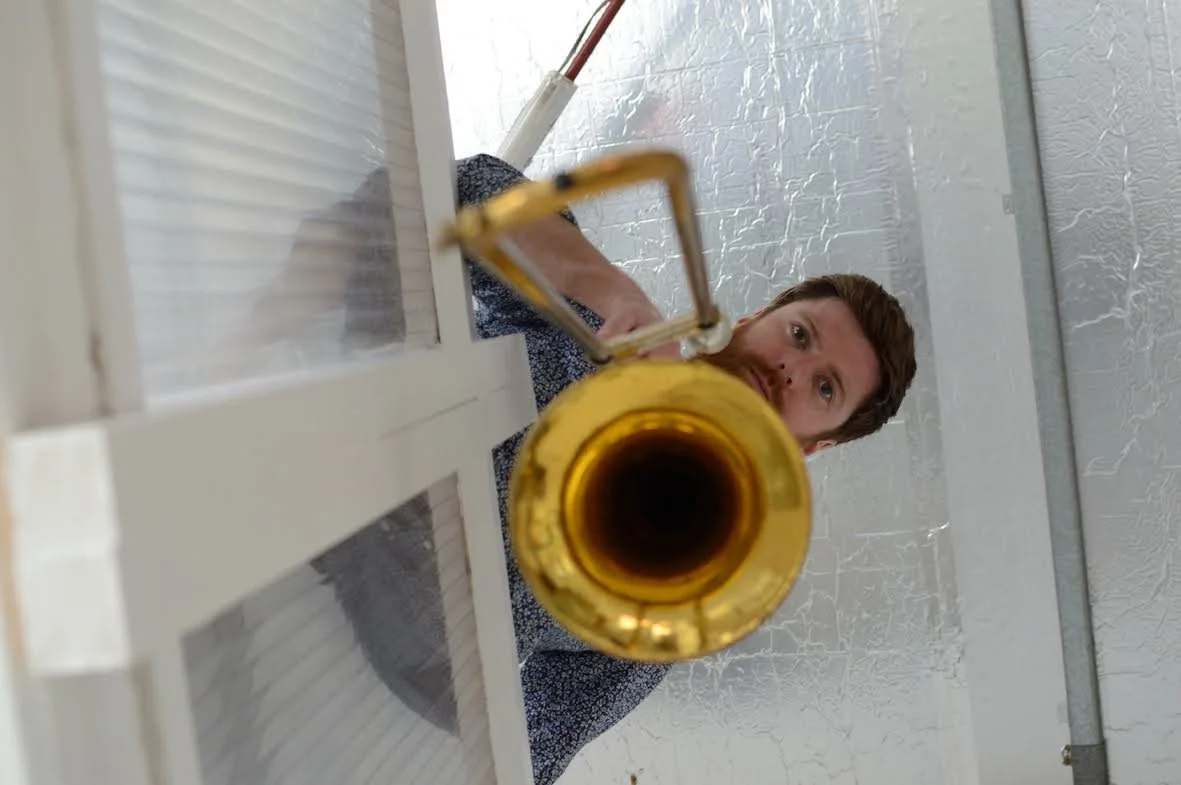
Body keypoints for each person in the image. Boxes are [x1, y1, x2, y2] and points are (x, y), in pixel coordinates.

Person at [293, 152, 917, 785]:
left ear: (814, 446)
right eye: (801, 335)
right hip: (317, 445)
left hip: (327, 664)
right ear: (756, 321)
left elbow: (531, 749)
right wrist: (609, 289)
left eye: (825, 389)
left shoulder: (683, 592)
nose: (791, 369)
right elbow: (465, 189)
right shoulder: (611, 328)